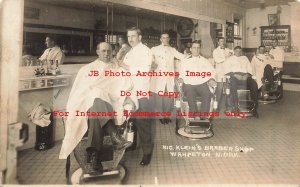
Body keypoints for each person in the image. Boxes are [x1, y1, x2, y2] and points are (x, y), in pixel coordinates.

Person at [59, 42, 138, 175]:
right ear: (97, 52)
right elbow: (78, 93)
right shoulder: (87, 69)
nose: (106, 54)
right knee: (96, 95)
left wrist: (128, 97)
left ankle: (94, 155)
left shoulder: (118, 69)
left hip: (110, 106)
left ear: (112, 52)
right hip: (86, 106)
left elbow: (128, 86)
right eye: (103, 51)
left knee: (97, 107)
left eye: (108, 51)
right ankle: (114, 136)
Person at [123, 27, 154, 166]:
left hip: (142, 91)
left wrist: (126, 67)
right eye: (128, 36)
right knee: (130, 120)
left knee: (143, 122)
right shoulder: (129, 53)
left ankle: (147, 152)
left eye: (133, 36)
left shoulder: (146, 51)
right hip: (130, 92)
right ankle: (131, 144)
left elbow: (144, 70)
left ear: (140, 37)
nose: (130, 39)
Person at [150, 31, 185, 124]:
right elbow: (148, 58)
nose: (165, 39)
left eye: (167, 38)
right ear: (160, 39)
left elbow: (182, 57)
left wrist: (191, 56)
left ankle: (167, 115)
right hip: (158, 77)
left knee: (169, 96)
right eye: (163, 37)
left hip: (169, 77)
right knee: (159, 96)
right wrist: (152, 63)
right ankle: (160, 116)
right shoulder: (154, 49)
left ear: (169, 39)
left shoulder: (172, 50)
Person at [178, 40, 216, 118]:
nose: (196, 49)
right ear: (191, 49)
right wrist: (180, 79)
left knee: (207, 93)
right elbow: (181, 74)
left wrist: (211, 79)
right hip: (189, 83)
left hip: (201, 83)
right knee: (190, 92)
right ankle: (194, 116)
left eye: (198, 48)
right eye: (194, 48)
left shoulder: (205, 61)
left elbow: (212, 72)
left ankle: (203, 117)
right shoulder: (185, 61)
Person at [223, 46, 258, 112]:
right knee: (233, 84)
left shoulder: (245, 58)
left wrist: (247, 75)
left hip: (245, 76)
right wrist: (235, 75)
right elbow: (226, 70)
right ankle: (235, 107)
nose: (238, 52)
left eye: (240, 51)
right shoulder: (230, 59)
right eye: (237, 51)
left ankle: (254, 107)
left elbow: (250, 69)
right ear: (234, 51)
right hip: (234, 76)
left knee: (254, 84)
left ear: (241, 52)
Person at [212, 37, 233, 110]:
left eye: (223, 41)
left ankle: (228, 105)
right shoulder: (215, 51)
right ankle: (216, 106)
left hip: (227, 72)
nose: (222, 43)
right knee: (219, 90)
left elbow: (233, 53)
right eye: (221, 41)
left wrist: (231, 53)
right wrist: (227, 57)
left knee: (228, 89)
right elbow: (217, 60)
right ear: (218, 42)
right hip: (220, 72)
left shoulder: (228, 50)